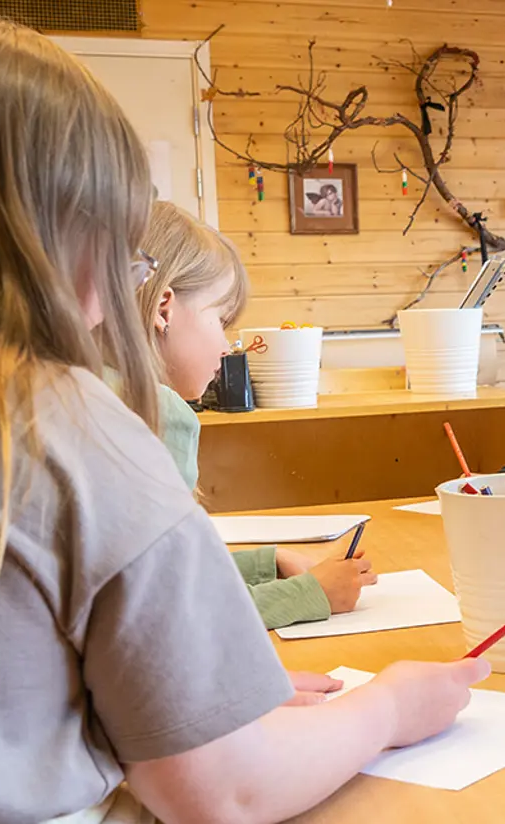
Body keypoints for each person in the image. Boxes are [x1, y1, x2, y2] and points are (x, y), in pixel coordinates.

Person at [0, 13, 487, 822]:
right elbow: (222, 791)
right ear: (58, 232)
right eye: (120, 244)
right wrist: (387, 707)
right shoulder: (51, 420)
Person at [135, 201, 373, 632]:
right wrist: (311, 594)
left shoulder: (81, 388)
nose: (227, 346)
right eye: (220, 320)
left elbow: (152, 573)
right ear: (163, 308)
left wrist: (267, 563)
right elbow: (166, 617)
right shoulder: (152, 412)